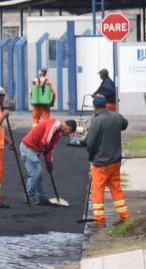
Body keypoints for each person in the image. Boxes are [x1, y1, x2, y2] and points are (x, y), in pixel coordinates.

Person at [86, 94, 129, 227]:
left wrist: (91, 157)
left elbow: (91, 143)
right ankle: (124, 216)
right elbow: (124, 124)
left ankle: (99, 220)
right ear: (105, 105)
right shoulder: (116, 116)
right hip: (115, 161)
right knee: (116, 188)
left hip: (101, 162)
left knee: (97, 190)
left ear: (95, 107)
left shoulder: (96, 121)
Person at [19, 117, 77, 205]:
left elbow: (50, 148)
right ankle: (29, 196)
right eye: (69, 132)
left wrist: (49, 162)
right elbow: (47, 136)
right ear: (67, 127)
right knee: (35, 172)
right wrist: (45, 145)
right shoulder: (55, 123)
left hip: (33, 149)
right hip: (28, 147)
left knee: (38, 173)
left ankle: (42, 197)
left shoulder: (57, 135)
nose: (68, 134)